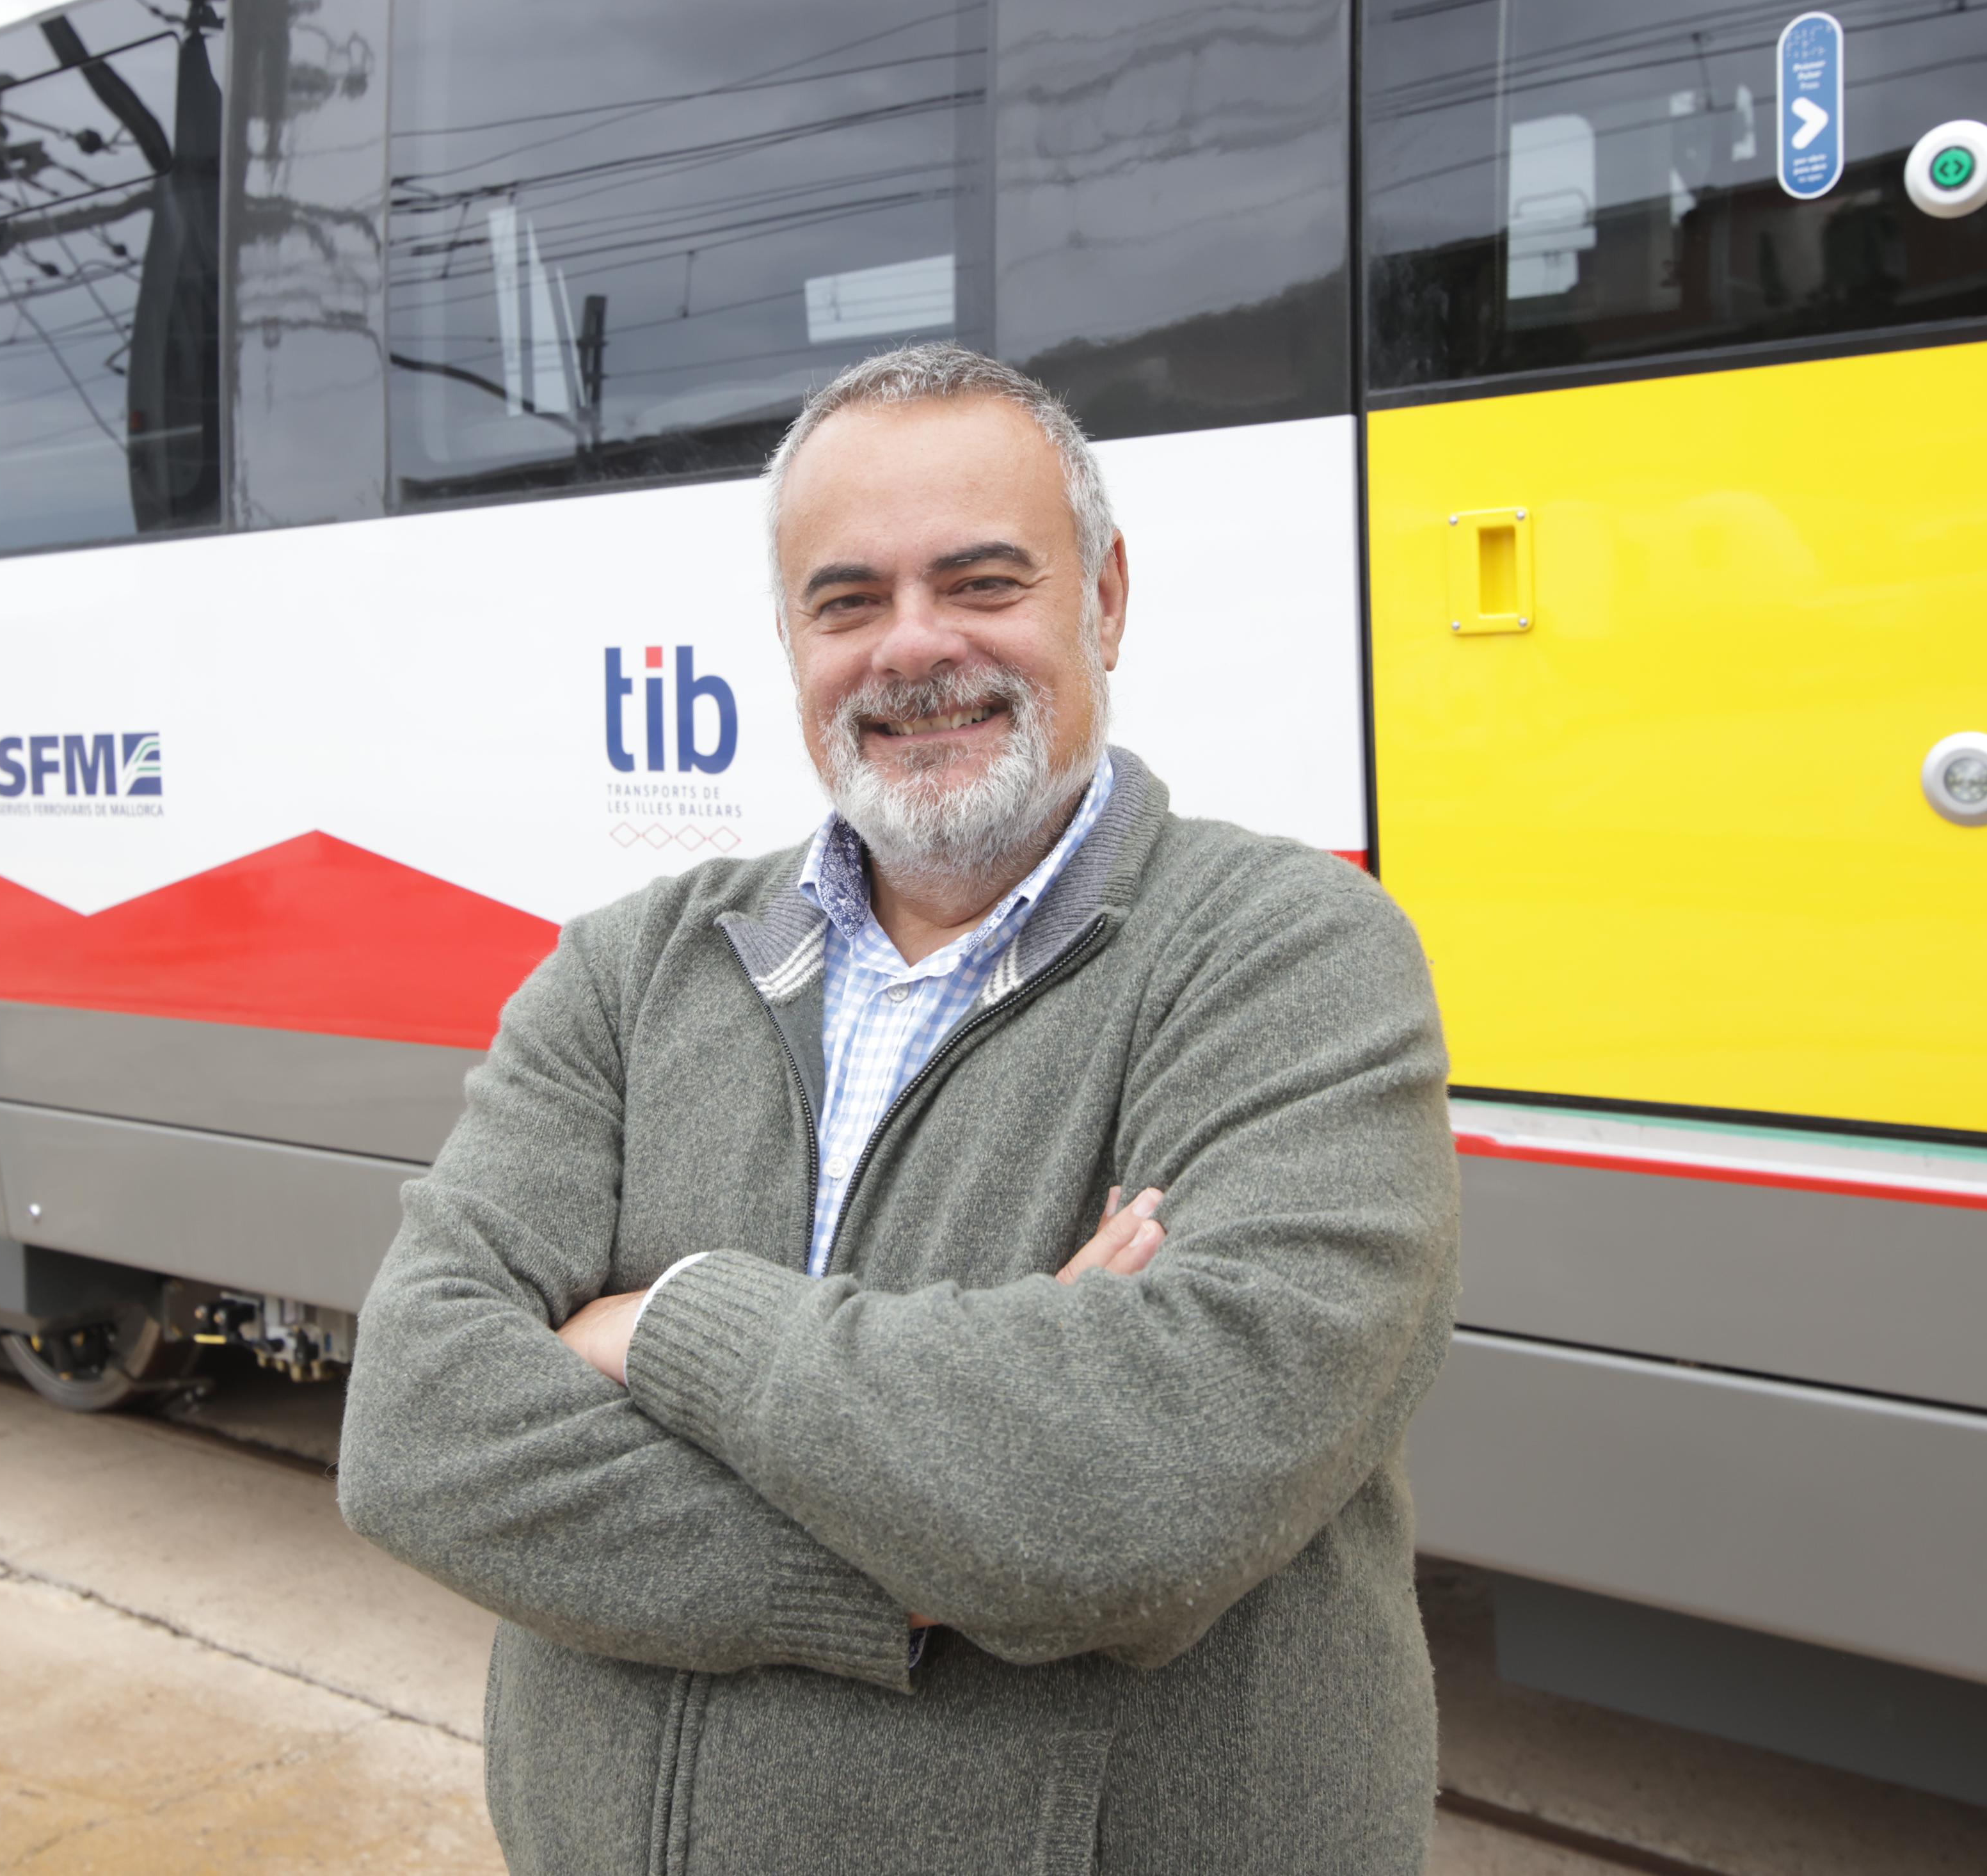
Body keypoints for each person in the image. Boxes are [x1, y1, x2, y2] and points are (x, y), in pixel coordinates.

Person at [339, 344, 1460, 1875]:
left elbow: (1136, 1503)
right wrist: (923, 1564)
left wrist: (668, 1324)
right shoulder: (626, 971)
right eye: (847, 600)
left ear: (1106, 596)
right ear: (792, 635)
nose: (911, 648)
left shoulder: (1290, 956)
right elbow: (412, 1432)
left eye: (983, 581)